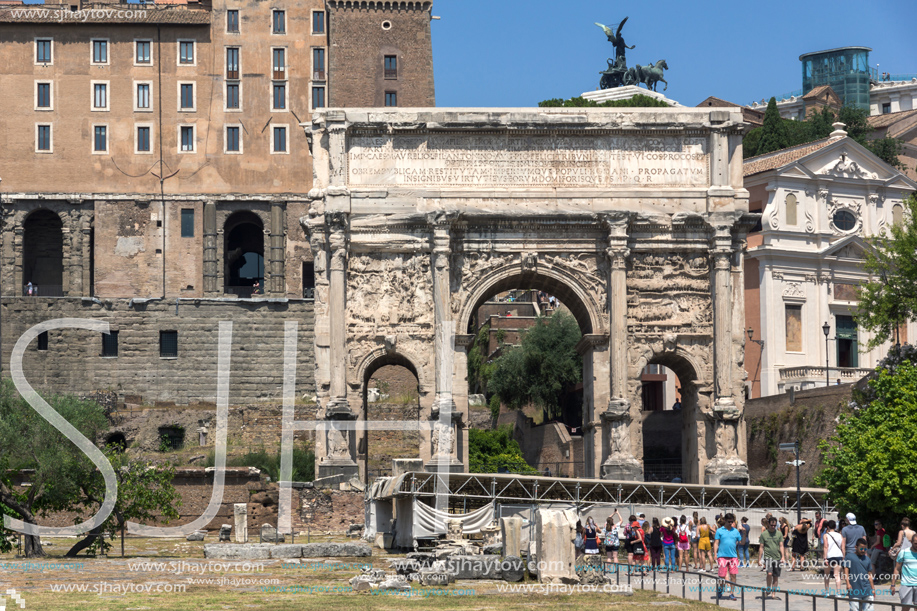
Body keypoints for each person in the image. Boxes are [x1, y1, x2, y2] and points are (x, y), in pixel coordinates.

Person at [714, 513, 743, 600]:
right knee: (722, 576)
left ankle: (731, 593)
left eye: (732, 522)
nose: (731, 523)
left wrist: (744, 534)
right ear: (725, 521)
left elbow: (741, 542)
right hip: (722, 556)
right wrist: (715, 554)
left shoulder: (735, 531)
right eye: (729, 521)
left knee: (733, 575)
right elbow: (716, 542)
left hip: (733, 556)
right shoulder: (719, 530)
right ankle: (721, 588)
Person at [845, 537, 875, 611]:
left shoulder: (867, 559)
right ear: (856, 547)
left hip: (867, 589)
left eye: (865, 549)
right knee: (854, 609)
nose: (863, 551)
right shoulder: (849, 557)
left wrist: (873, 588)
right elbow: (846, 571)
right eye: (861, 548)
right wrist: (848, 584)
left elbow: (870, 574)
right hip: (854, 589)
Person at [758, 516, 785, 599]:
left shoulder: (779, 534)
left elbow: (781, 545)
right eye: (771, 525)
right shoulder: (764, 534)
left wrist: (783, 556)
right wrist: (759, 559)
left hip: (777, 557)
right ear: (768, 525)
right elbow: (761, 547)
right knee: (769, 573)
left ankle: (773, 594)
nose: (773, 527)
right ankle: (768, 588)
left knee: (775, 576)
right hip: (768, 557)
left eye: (774, 525)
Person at [891, 532, 917, 611]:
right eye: (916, 543)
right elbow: (897, 569)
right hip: (906, 584)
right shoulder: (904, 552)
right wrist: (892, 585)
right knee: (906, 608)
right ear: (911, 542)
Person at [824, 520, 846, 595]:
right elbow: (843, 547)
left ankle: (827, 592)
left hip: (829, 555)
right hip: (838, 555)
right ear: (835, 526)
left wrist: (825, 558)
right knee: (837, 575)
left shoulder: (826, 535)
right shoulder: (840, 535)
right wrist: (843, 556)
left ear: (828, 527)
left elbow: (825, 547)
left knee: (827, 575)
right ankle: (838, 593)